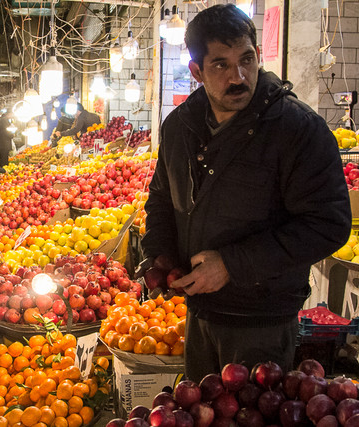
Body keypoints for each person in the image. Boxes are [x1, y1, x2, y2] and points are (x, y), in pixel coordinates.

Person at [139, 4, 351, 382]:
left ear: (258, 56)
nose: (238, 77)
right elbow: (160, 199)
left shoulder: (297, 130)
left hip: (262, 325)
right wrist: (161, 253)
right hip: (199, 315)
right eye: (221, 64)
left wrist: (232, 264)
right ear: (196, 72)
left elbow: (328, 224)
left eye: (246, 60)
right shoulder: (179, 128)